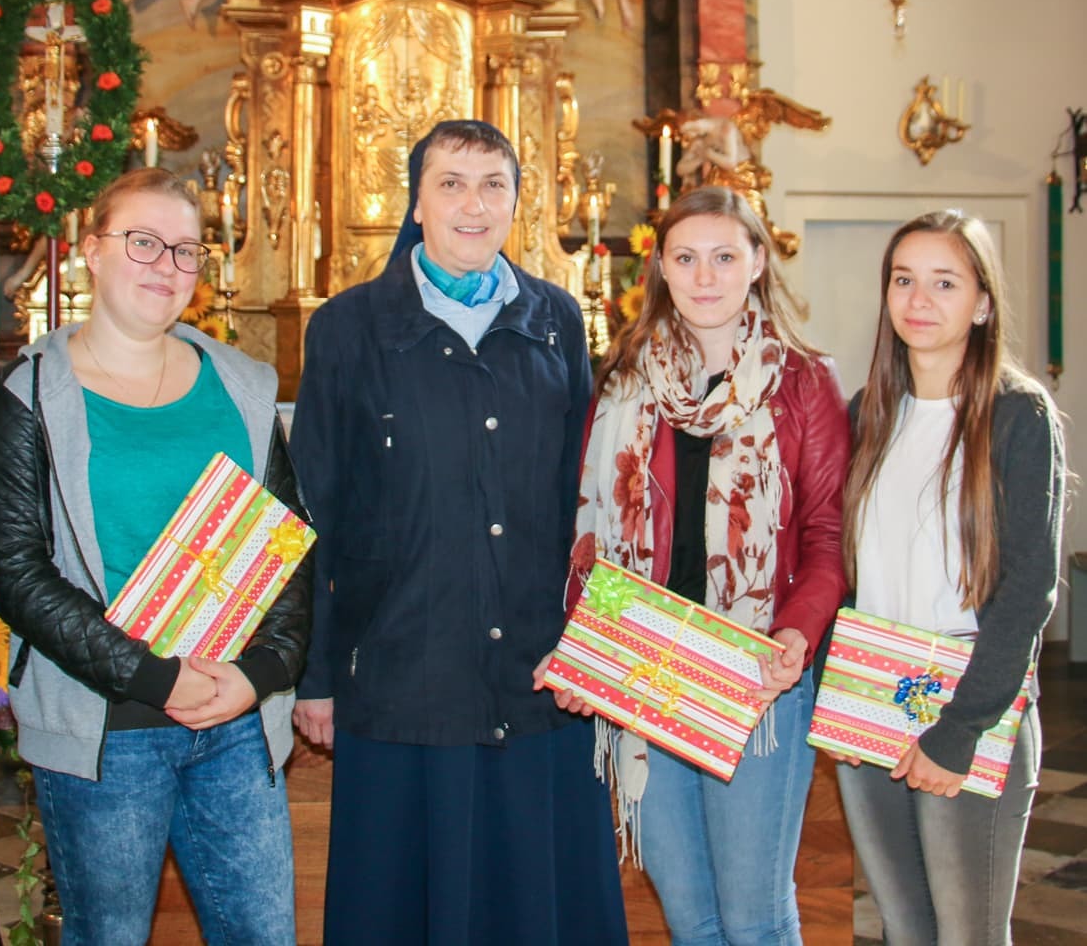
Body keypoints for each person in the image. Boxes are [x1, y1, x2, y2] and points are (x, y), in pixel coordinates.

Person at [291, 120, 628, 945]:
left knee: (535, 906)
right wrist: (315, 674)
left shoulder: (556, 317)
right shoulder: (347, 327)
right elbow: (314, 512)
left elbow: (586, 503)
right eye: (450, 184)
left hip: (539, 674)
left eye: (492, 186)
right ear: (416, 203)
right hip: (404, 674)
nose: (472, 205)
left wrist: (596, 650)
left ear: (516, 202)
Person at [0, 167, 311, 946]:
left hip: (235, 715)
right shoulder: (29, 392)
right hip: (106, 727)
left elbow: (286, 538)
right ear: (92, 251)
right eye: (144, 242)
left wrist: (263, 672)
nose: (168, 265)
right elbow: (16, 572)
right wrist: (156, 677)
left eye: (186, 250)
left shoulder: (242, 385)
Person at [566, 185, 849, 944]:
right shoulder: (624, 379)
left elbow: (829, 533)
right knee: (691, 920)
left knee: (755, 920)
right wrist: (582, 649)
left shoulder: (803, 381)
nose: (705, 276)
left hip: (755, 670)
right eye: (686, 258)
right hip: (647, 665)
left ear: (757, 262)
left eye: (724, 256)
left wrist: (795, 632)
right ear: (660, 267)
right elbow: (586, 528)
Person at [834, 210, 1064, 944]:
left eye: (944, 282)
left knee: (968, 936)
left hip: (970, 705)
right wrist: (840, 696)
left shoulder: (1018, 415)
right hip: (873, 697)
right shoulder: (868, 414)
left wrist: (959, 729)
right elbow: (846, 571)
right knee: (904, 930)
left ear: (983, 303)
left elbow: (1029, 588)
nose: (919, 300)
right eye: (904, 280)